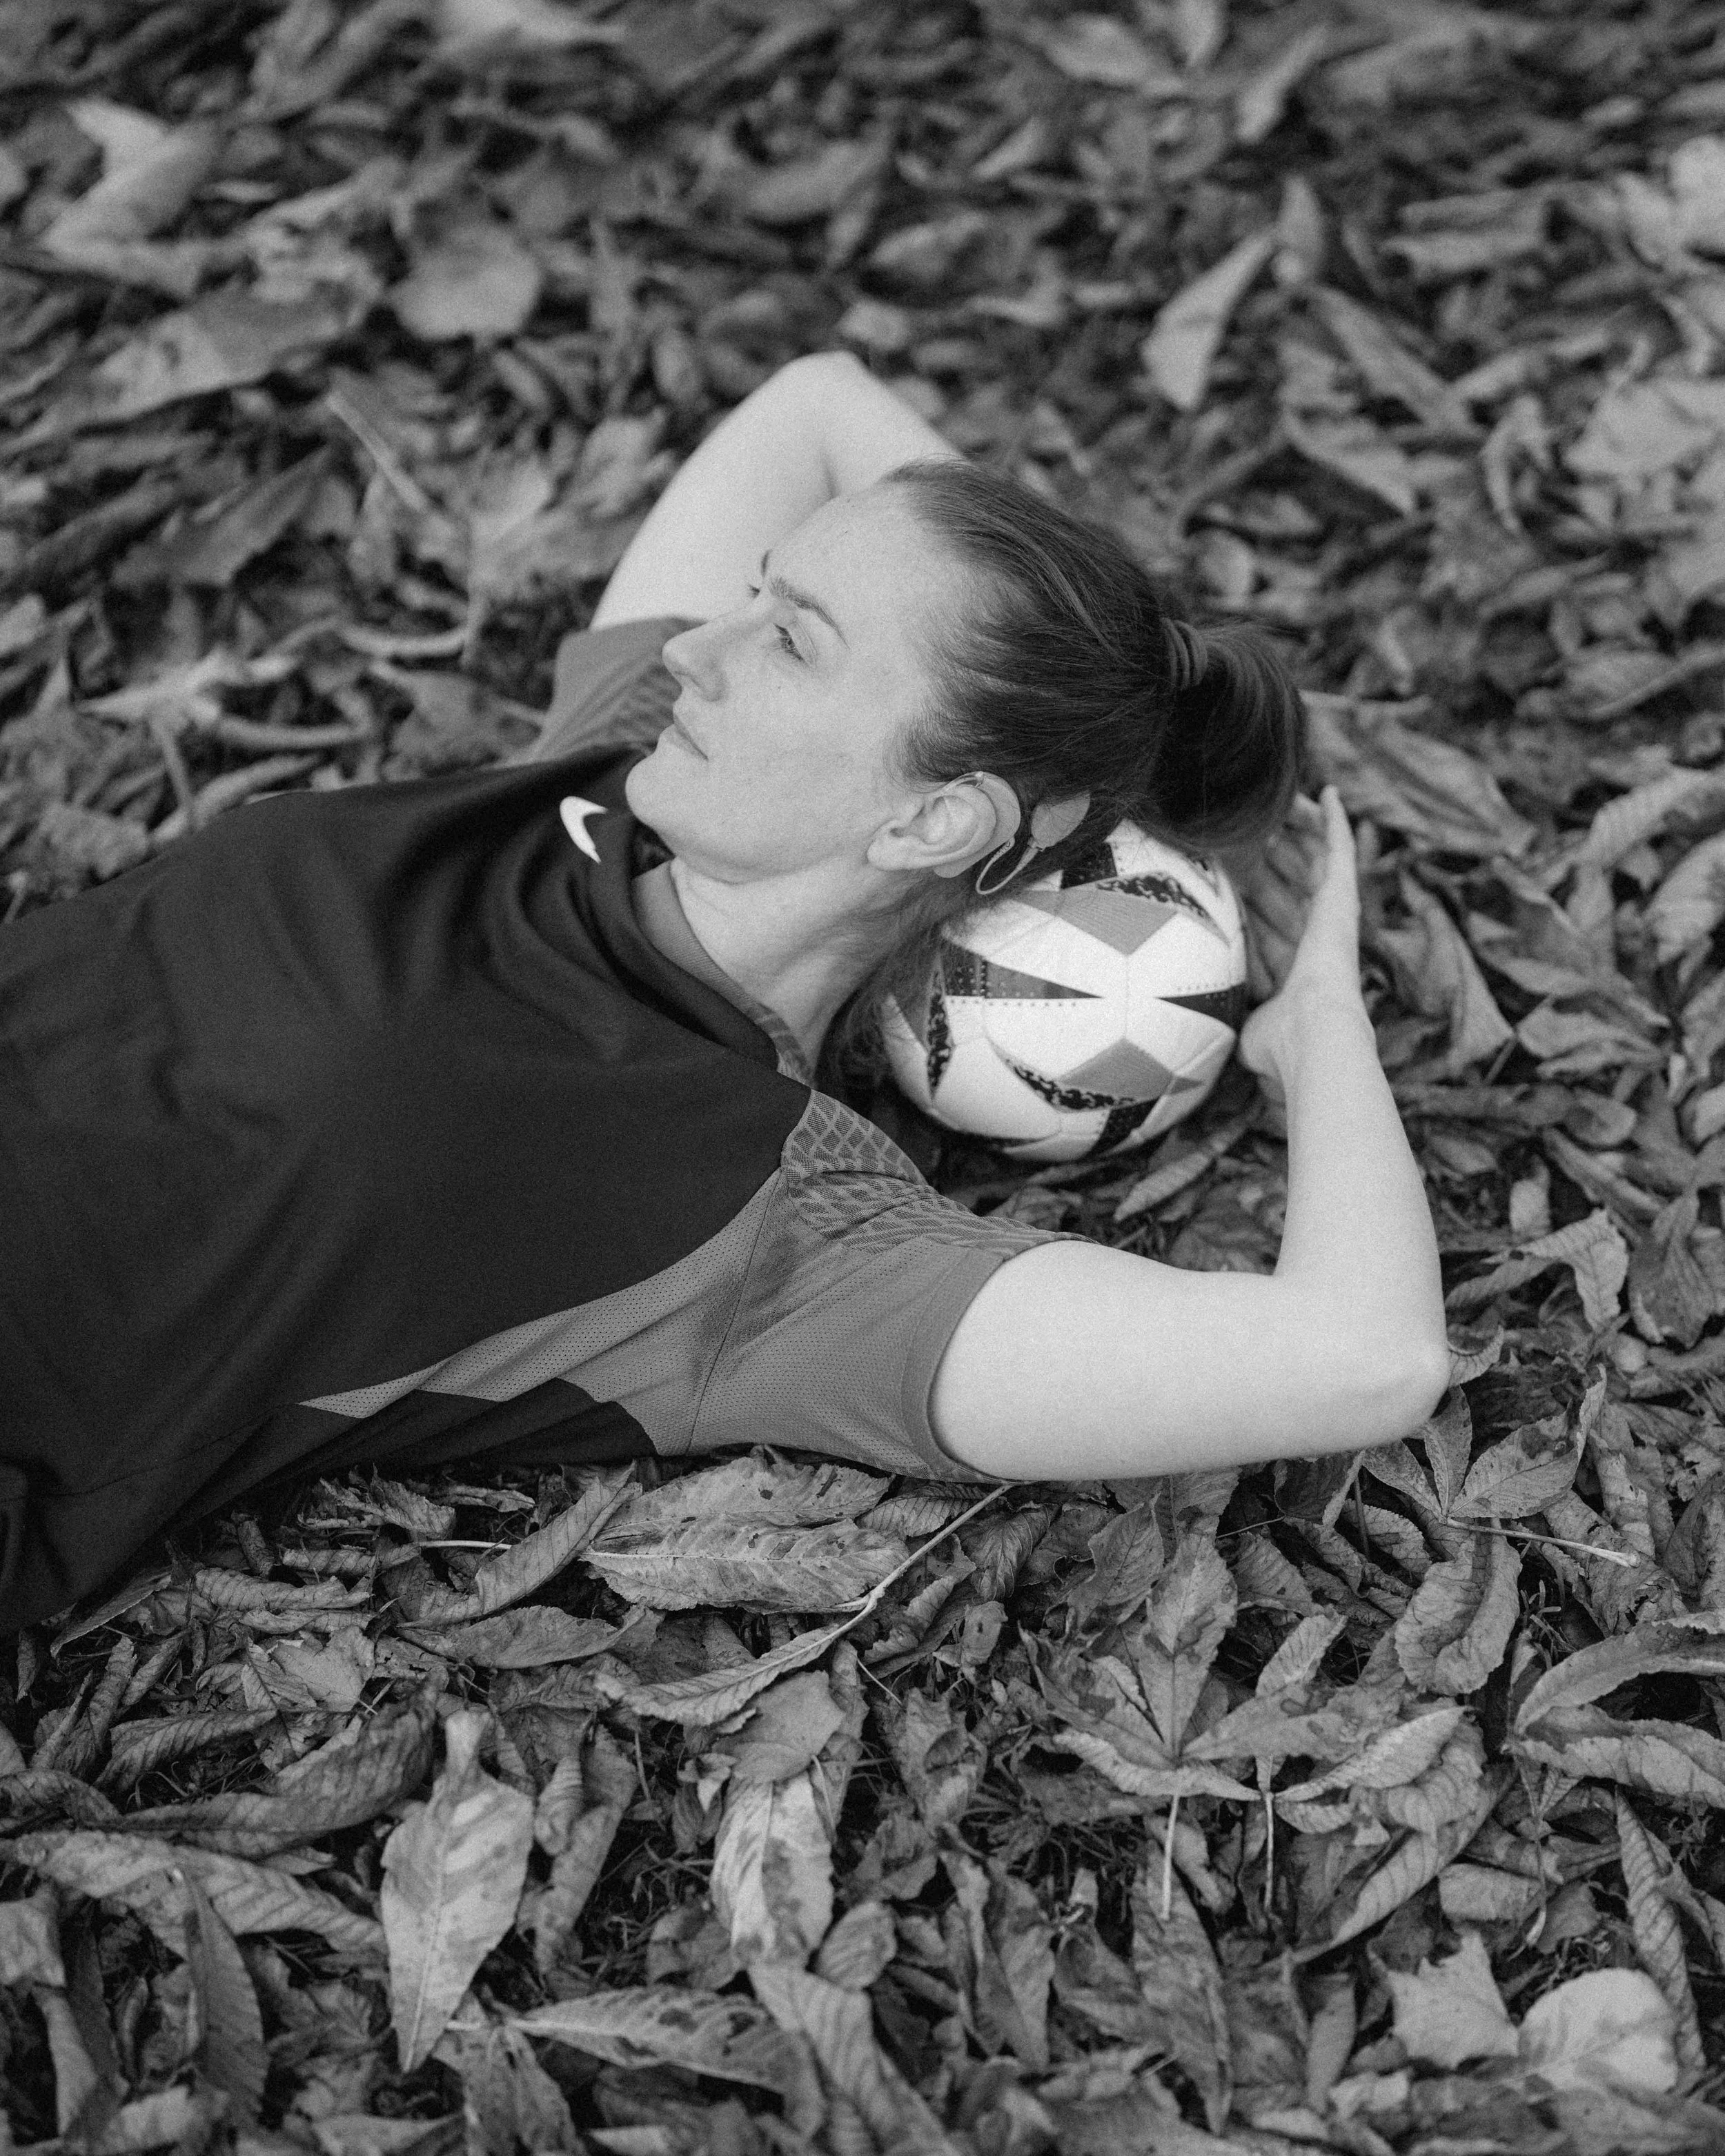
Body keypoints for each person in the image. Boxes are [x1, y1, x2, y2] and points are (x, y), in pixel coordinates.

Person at [0, 353, 1448, 1632]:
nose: (700, 646)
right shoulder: (616, 764)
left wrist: (1317, 1028)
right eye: (756, 596)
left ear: (932, 824)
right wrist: (1112, 683)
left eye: (789, 637)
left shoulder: (765, 1240)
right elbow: (810, 404)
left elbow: (1364, 1355)